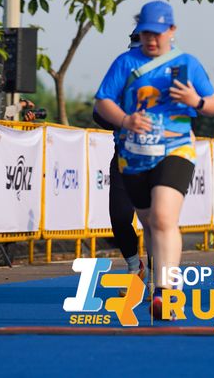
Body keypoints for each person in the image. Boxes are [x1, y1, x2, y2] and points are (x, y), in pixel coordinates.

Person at [94, 0, 214, 319]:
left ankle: (166, 291)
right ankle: (156, 283)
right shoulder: (125, 62)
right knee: (149, 222)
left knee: (163, 218)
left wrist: (196, 100)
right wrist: (125, 120)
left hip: (176, 149)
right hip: (134, 156)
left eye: (157, 33)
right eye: (146, 33)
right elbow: (102, 102)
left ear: (172, 30)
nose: (151, 39)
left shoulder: (187, 63)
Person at [92, 29, 145, 289]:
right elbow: (98, 111)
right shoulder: (121, 72)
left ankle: (160, 279)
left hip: (160, 158)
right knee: (120, 218)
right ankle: (135, 266)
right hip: (124, 157)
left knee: (157, 222)